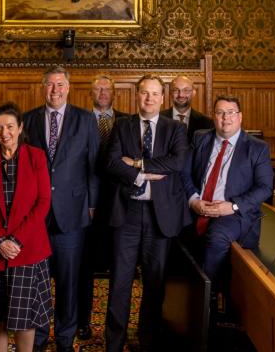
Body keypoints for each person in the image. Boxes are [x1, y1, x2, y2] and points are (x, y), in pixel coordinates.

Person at [104, 75, 191, 352]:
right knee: (120, 284)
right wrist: (144, 176)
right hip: (127, 214)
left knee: (155, 284)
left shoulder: (175, 129)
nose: (149, 99)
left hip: (160, 218)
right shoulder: (122, 126)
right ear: (136, 95)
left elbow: (177, 162)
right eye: (144, 93)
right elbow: (112, 163)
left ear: (162, 98)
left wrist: (138, 163)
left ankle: (147, 340)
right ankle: (114, 343)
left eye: (154, 94)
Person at [22, 67, 99, 352]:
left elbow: (93, 165)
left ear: (68, 88)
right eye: (50, 85)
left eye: (60, 84)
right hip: (35, 216)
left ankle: (65, 338)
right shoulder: (27, 120)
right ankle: (39, 337)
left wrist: (92, 204)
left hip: (73, 213)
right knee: (37, 283)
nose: (55, 89)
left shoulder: (85, 119)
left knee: (69, 282)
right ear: (43, 88)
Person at [0, 103, 53, 352]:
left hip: (26, 252)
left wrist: (15, 240)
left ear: (20, 128)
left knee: (25, 318)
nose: (5, 132)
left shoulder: (36, 157)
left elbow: (43, 201)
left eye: (10, 126)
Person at [182, 95, 273, 290]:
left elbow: (265, 188)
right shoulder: (200, 138)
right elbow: (185, 174)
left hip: (234, 213)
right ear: (213, 117)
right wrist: (193, 200)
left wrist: (232, 206)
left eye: (231, 112)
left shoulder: (257, 148)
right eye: (220, 113)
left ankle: (208, 301)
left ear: (240, 117)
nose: (225, 118)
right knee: (171, 231)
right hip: (198, 206)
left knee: (216, 238)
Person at [76, 75, 129, 342]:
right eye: (97, 88)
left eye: (107, 88)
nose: (103, 92)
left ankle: (115, 328)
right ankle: (83, 321)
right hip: (87, 205)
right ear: (90, 93)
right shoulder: (79, 121)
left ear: (114, 93)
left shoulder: (128, 121)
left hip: (120, 204)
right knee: (84, 267)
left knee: (120, 270)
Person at [162, 75, 215, 141]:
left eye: (186, 90)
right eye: (176, 90)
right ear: (171, 93)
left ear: (193, 93)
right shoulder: (159, 118)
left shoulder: (206, 122)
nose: (181, 95)